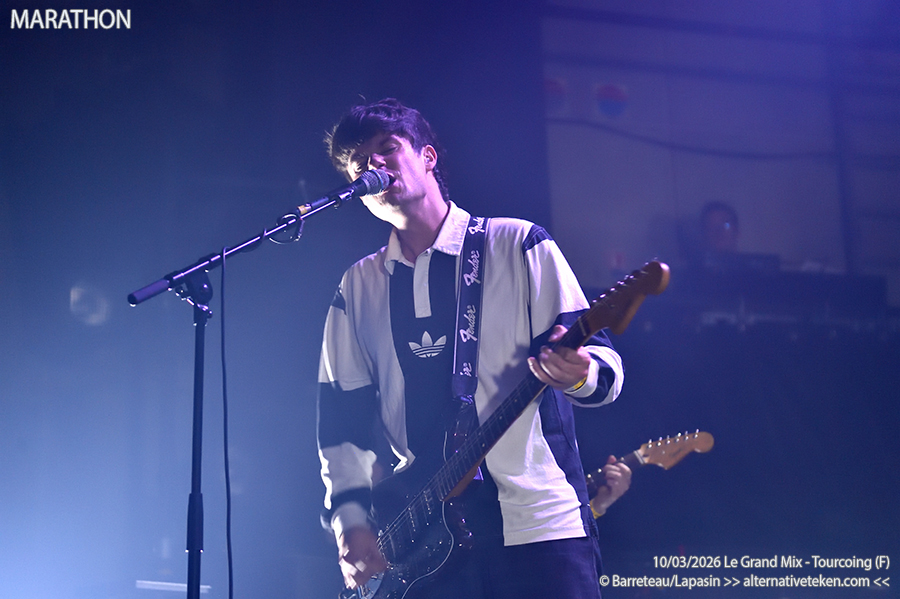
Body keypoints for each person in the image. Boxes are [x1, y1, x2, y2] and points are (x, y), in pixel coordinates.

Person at [315, 98, 624, 599]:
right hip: (422, 542)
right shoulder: (358, 286)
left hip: (539, 527)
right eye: (358, 164)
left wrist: (579, 372)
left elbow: (606, 370)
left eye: (387, 149)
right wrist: (349, 522)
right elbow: (340, 423)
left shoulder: (518, 243)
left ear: (428, 156)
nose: (373, 165)